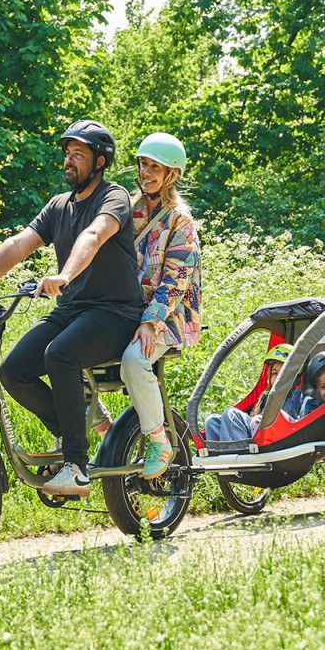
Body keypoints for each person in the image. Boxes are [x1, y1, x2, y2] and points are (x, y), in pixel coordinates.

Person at [0, 120, 143, 498]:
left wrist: (65, 274)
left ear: (100, 162)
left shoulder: (113, 197)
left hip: (115, 314)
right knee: (13, 370)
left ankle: (76, 464)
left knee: (60, 354)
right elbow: (20, 244)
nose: (69, 161)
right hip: (73, 311)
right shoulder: (60, 205)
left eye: (79, 155)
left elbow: (94, 235)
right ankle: (73, 428)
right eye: (67, 154)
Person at [119, 132, 202, 479]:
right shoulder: (127, 210)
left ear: (172, 174)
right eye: (143, 164)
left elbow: (175, 280)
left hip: (170, 315)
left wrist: (151, 322)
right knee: (69, 354)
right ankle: (103, 432)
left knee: (135, 359)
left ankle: (159, 440)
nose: (147, 172)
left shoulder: (180, 220)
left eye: (156, 167)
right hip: (126, 311)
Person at [204, 342, 302, 441]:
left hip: (271, 438)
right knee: (212, 421)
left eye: (283, 373)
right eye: (275, 373)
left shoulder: (295, 396)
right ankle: (216, 453)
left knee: (231, 414)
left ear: (295, 376)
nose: (278, 378)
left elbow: (279, 424)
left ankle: (233, 452)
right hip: (257, 433)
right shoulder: (266, 396)